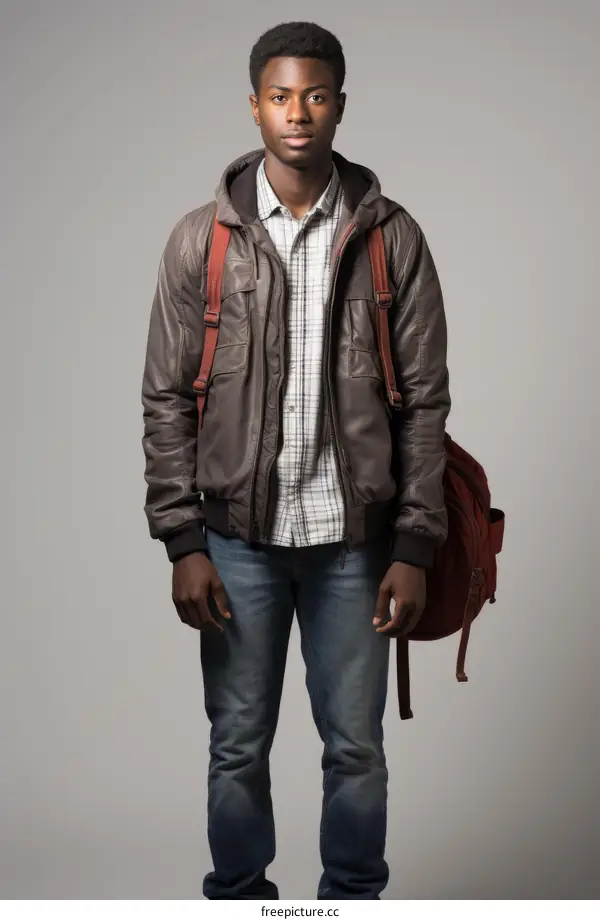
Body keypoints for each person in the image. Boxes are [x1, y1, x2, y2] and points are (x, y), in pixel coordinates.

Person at [141, 20, 450, 901]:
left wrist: (415, 546)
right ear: (255, 106)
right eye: (280, 96)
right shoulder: (201, 243)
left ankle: (351, 902)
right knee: (237, 743)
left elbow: (425, 401)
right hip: (235, 539)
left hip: (357, 543)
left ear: (340, 106)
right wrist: (182, 541)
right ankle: (240, 900)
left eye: (315, 95)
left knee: (356, 748)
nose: (298, 113)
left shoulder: (393, 239)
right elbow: (166, 396)